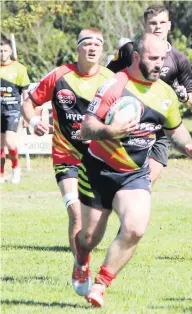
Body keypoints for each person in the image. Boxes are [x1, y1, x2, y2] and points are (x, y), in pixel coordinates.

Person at [73, 33, 192, 307]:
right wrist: (110, 130)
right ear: (136, 57)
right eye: (153, 58)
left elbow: (175, 130)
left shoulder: (165, 92)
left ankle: (101, 284)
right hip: (98, 170)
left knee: (135, 229)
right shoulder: (114, 85)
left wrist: (190, 146)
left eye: (162, 59)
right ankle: (81, 259)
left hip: (133, 173)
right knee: (89, 238)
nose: (160, 65)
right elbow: (86, 127)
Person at [21, 28, 113, 291]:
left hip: (98, 157)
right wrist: (35, 120)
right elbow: (29, 103)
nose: (93, 48)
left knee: (96, 217)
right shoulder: (60, 76)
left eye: (98, 43)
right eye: (87, 44)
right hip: (67, 155)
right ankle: (81, 267)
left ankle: (84, 257)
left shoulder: (111, 80)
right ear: (78, 49)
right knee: (76, 213)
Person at [107, 4, 192, 184]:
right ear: (145, 25)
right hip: (129, 123)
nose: (158, 27)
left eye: (162, 22)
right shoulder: (129, 50)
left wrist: (184, 96)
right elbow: (105, 79)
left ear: (169, 25)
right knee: (119, 183)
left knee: (144, 185)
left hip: (160, 128)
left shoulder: (179, 59)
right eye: (153, 23)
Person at [0, 37, 30, 184]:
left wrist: (26, 114)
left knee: (10, 142)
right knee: (0, 145)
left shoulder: (19, 69)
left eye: (5, 50)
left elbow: (25, 94)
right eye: (0, 51)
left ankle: (16, 169)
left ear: (10, 51)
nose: (2, 54)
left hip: (12, 110)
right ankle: (1, 174)